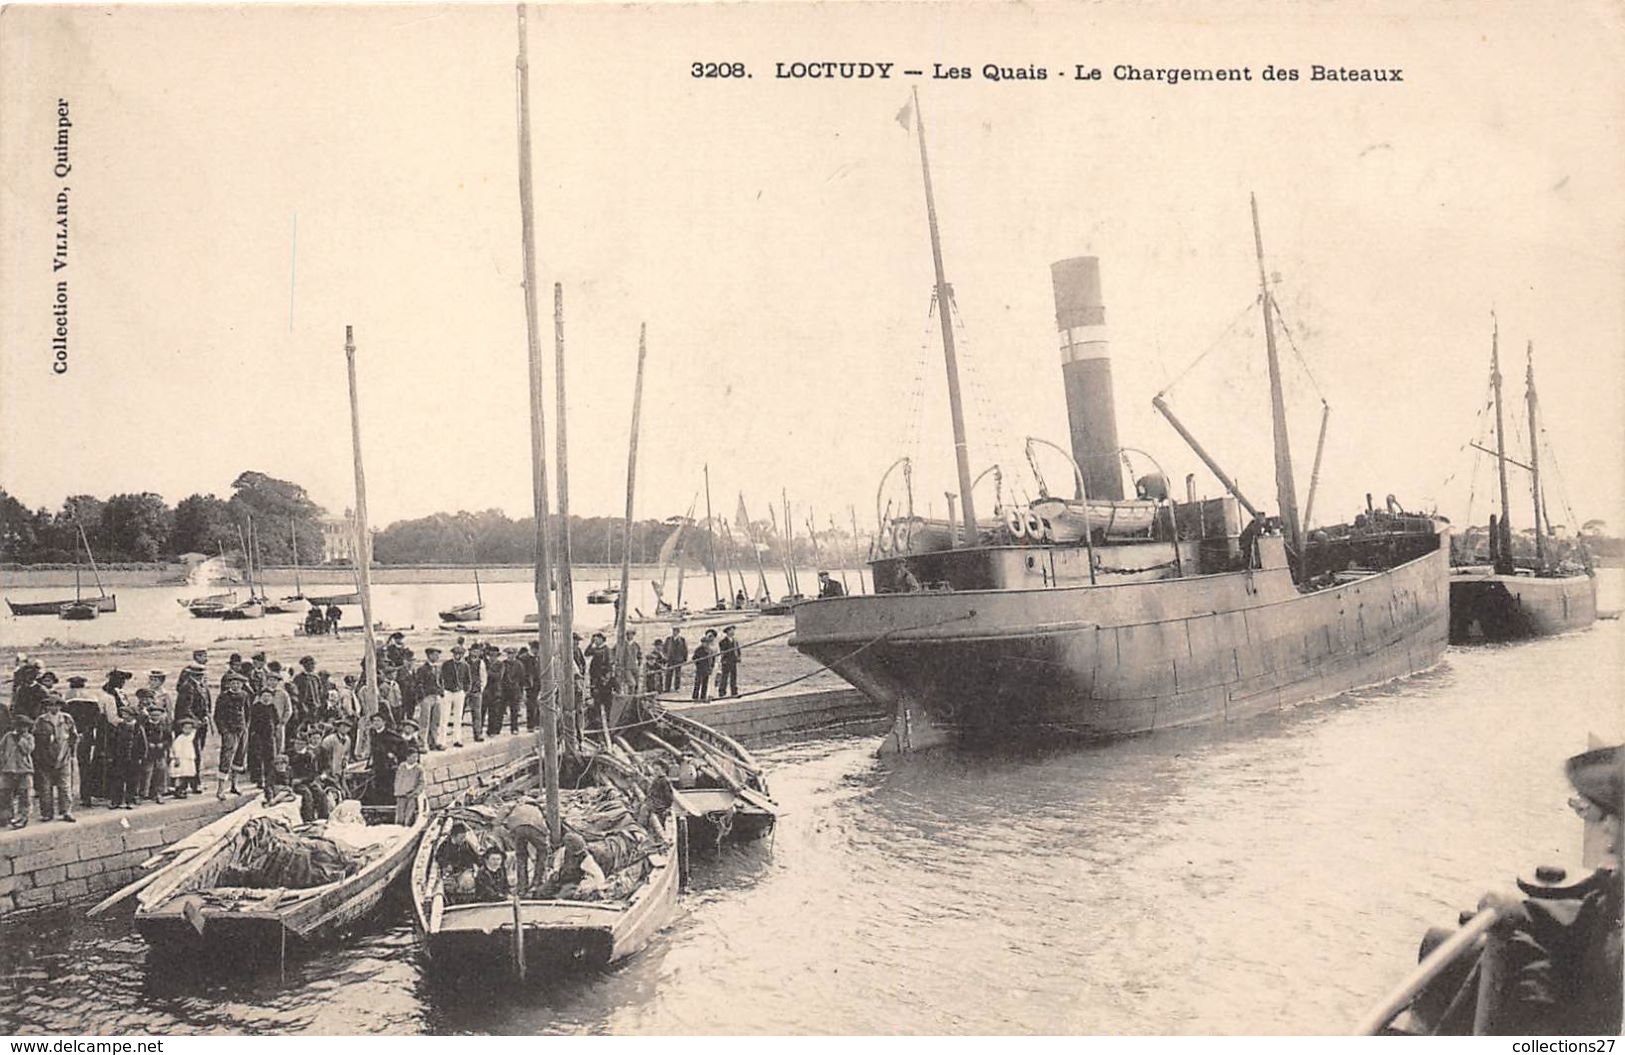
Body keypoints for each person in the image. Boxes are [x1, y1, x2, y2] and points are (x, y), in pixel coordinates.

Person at [32, 693, 77, 821]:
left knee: (65, 786)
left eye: (57, 705)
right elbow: (35, 738)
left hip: (63, 757)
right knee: (45, 787)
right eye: (50, 705)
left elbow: (74, 736)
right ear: (46, 707)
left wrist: (71, 752)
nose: (54, 708)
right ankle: (47, 813)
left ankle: (66, 811)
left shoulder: (67, 719)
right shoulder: (41, 720)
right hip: (45, 758)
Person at [62, 676, 102, 807]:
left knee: (68, 765)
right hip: (87, 735)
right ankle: (86, 795)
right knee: (85, 765)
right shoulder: (91, 697)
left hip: (70, 736)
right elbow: (97, 717)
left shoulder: (67, 698)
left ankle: (69, 795)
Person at [174, 655, 212, 795]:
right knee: (186, 756)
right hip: (187, 727)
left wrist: (206, 718)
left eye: (201, 674)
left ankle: (194, 782)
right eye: (197, 675)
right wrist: (197, 721)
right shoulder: (187, 687)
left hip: (199, 725)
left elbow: (207, 705)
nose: (200, 677)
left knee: (195, 755)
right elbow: (185, 708)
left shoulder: (202, 686)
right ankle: (183, 786)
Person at [214, 670, 249, 799]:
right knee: (226, 758)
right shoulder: (223, 697)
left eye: (238, 683)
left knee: (239, 757)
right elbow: (218, 716)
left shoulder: (244, 695)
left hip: (241, 730)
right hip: (229, 731)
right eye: (233, 683)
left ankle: (235, 785)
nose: (236, 685)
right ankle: (220, 789)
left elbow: (247, 713)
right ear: (229, 684)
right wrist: (224, 730)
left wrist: (245, 727)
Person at [106, 706, 148, 810]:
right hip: (120, 757)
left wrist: (141, 757)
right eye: (123, 714)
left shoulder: (138, 728)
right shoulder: (119, 727)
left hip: (134, 758)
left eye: (126, 714)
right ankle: (116, 801)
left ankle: (130, 800)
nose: (124, 716)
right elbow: (113, 742)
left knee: (132, 780)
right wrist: (111, 755)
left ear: (132, 715)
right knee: (118, 779)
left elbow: (143, 744)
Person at [1, 713, 36, 827]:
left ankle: (23, 817)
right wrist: (3, 760)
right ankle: (6, 816)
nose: (21, 728)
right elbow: (1, 749)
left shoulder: (29, 737)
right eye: (18, 726)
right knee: (5, 793)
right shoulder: (8, 736)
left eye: (24, 726)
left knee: (24, 794)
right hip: (8, 769)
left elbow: (28, 750)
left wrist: (21, 739)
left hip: (24, 769)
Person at [246, 676, 281, 789]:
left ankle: (268, 780)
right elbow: (250, 722)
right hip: (257, 736)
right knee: (257, 758)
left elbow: (276, 721)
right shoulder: (255, 707)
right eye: (264, 696)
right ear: (260, 697)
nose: (266, 698)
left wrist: (274, 732)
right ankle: (259, 780)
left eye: (268, 696)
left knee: (270, 758)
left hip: (269, 737)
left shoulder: (272, 707)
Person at [137, 695, 171, 803]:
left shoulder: (163, 726)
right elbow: (142, 738)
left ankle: (158, 793)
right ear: (150, 715)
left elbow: (169, 739)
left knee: (160, 771)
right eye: (153, 715)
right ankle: (143, 793)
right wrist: (148, 744)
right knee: (147, 771)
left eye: (157, 715)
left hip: (160, 752)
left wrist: (163, 745)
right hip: (149, 753)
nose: (155, 717)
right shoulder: (146, 726)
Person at [417, 648, 446, 750]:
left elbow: (441, 681)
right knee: (424, 721)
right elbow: (419, 684)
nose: (437, 657)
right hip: (427, 697)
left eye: (438, 655)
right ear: (429, 656)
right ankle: (421, 744)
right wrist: (423, 696)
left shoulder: (438, 668)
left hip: (436, 696)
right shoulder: (422, 669)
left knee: (435, 721)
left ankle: (433, 742)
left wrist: (441, 691)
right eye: (435, 654)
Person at [442, 645, 470, 748]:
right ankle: (442, 741)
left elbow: (468, 680)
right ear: (453, 654)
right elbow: (441, 678)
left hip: (459, 693)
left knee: (458, 718)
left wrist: (465, 691)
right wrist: (443, 690)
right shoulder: (446, 664)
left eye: (460, 654)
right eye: (456, 654)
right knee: (444, 717)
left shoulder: (465, 666)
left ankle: (457, 739)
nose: (458, 656)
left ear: (462, 655)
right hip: (448, 692)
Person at [585, 633, 613, 722]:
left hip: (602, 677)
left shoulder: (606, 650)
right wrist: (590, 643)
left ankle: (606, 717)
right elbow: (587, 653)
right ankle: (596, 717)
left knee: (604, 697)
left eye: (597, 639)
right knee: (595, 696)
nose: (595, 641)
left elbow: (609, 664)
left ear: (602, 639)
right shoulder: (596, 649)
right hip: (594, 677)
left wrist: (606, 677)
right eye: (595, 640)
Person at [168, 717, 198, 798]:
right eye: (185, 728)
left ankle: (183, 789)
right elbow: (176, 748)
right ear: (182, 729)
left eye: (190, 728)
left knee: (186, 775)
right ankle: (177, 789)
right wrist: (177, 758)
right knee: (179, 775)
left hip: (188, 759)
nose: (187, 730)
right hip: (181, 759)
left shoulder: (190, 737)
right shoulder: (180, 738)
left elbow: (195, 731)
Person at [393, 747, 423, 825]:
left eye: (417, 757)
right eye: (413, 757)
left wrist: (415, 793)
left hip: (411, 795)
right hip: (400, 794)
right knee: (399, 814)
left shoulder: (419, 769)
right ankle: (398, 828)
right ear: (408, 757)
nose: (415, 759)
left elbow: (421, 783)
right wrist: (397, 790)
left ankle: (407, 827)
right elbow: (397, 779)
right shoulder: (401, 766)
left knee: (409, 814)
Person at [465, 644, 487, 743]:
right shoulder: (464, 661)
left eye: (477, 651)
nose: (475, 653)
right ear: (469, 651)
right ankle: (457, 735)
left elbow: (483, 676)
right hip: (465, 690)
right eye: (473, 651)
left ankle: (478, 734)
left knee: (477, 714)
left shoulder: (481, 663)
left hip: (476, 690)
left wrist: (481, 687)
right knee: (459, 712)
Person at [691, 630, 717, 701]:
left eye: (706, 643)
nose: (705, 644)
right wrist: (698, 664)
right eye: (704, 643)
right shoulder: (698, 650)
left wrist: (711, 667)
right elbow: (694, 658)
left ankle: (703, 697)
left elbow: (713, 660)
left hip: (707, 669)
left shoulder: (710, 650)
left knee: (705, 684)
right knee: (697, 684)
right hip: (700, 669)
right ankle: (695, 697)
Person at [716, 625, 741, 698]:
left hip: (733, 661)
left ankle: (734, 692)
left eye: (733, 630)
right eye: (731, 630)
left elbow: (738, 650)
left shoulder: (735, 641)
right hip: (726, 662)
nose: (733, 632)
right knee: (724, 677)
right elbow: (722, 652)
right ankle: (722, 692)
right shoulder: (723, 642)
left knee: (734, 677)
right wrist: (723, 660)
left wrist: (738, 657)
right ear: (727, 632)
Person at [665, 627, 688, 693]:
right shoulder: (668, 639)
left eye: (676, 631)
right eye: (673, 631)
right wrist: (666, 657)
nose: (674, 632)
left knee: (678, 674)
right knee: (669, 674)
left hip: (678, 659)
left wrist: (684, 659)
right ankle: (667, 688)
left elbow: (685, 650)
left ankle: (677, 688)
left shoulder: (682, 640)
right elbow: (664, 648)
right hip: (670, 659)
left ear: (678, 632)